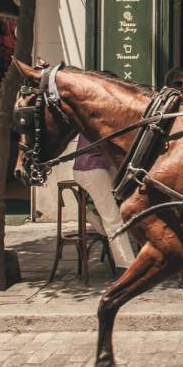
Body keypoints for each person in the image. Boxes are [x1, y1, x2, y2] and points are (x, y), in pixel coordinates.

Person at [71, 71, 137, 269]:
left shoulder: (105, 107)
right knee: (113, 216)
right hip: (90, 168)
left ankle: (94, 217)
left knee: (129, 203)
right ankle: (127, 264)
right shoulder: (99, 111)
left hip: (102, 165)